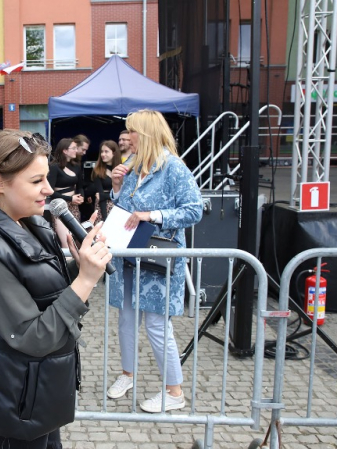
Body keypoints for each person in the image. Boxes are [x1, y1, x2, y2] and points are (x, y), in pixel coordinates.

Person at [0, 130, 112, 448]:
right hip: (15, 400)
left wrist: (81, 265)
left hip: (38, 390)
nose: (48, 190)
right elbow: (32, 335)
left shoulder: (30, 222)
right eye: (36, 181)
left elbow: (41, 290)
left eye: (46, 178)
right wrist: (86, 280)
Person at [106, 110, 203, 413]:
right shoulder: (134, 167)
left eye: (131, 132)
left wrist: (154, 216)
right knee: (126, 320)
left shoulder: (173, 168)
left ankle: (174, 392)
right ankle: (127, 375)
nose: (126, 138)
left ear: (145, 133)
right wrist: (118, 188)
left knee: (158, 326)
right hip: (130, 259)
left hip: (158, 261)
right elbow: (124, 210)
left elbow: (194, 210)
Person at [47, 138, 84, 249]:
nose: (76, 151)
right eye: (73, 148)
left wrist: (81, 196)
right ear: (65, 150)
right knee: (66, 241)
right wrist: (69, 198)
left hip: (74, 206)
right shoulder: (54, 167)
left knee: (75, 239)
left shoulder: (76, 166)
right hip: (60, 206)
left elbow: (81, 186)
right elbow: (51, 191)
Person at [91, 140, 121, 221]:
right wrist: (104, 217)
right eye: (102, 152)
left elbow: (124, 193)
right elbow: (100, 197)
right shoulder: (98, 170)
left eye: (106, 152)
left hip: (119, 207)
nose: (103, 154)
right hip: (103, 207)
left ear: (114, 153)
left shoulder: (121, 169)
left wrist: (105, 195)